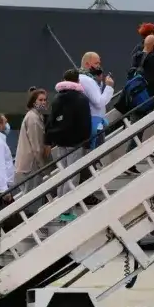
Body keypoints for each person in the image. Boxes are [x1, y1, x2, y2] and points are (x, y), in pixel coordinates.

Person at [46, 69, 92, 219]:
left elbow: (50, 121)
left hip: (60, 141)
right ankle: (66, 210)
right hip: (76, 142)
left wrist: (48, 139)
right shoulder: (81, 99)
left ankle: (60, 205)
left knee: (63, 174)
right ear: (77, 81)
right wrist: (87, 142)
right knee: (73, 176)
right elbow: (86, 123)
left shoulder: (57, 99)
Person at [78, 51, 116, 148]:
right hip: (95, 125)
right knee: (96, 155)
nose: (99, 66)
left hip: (89, 123)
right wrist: (109, 87)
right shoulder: (87, 80)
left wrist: (99, 83)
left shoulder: (84, 78)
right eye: (96, 63)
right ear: (87, 64)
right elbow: (99, 103)